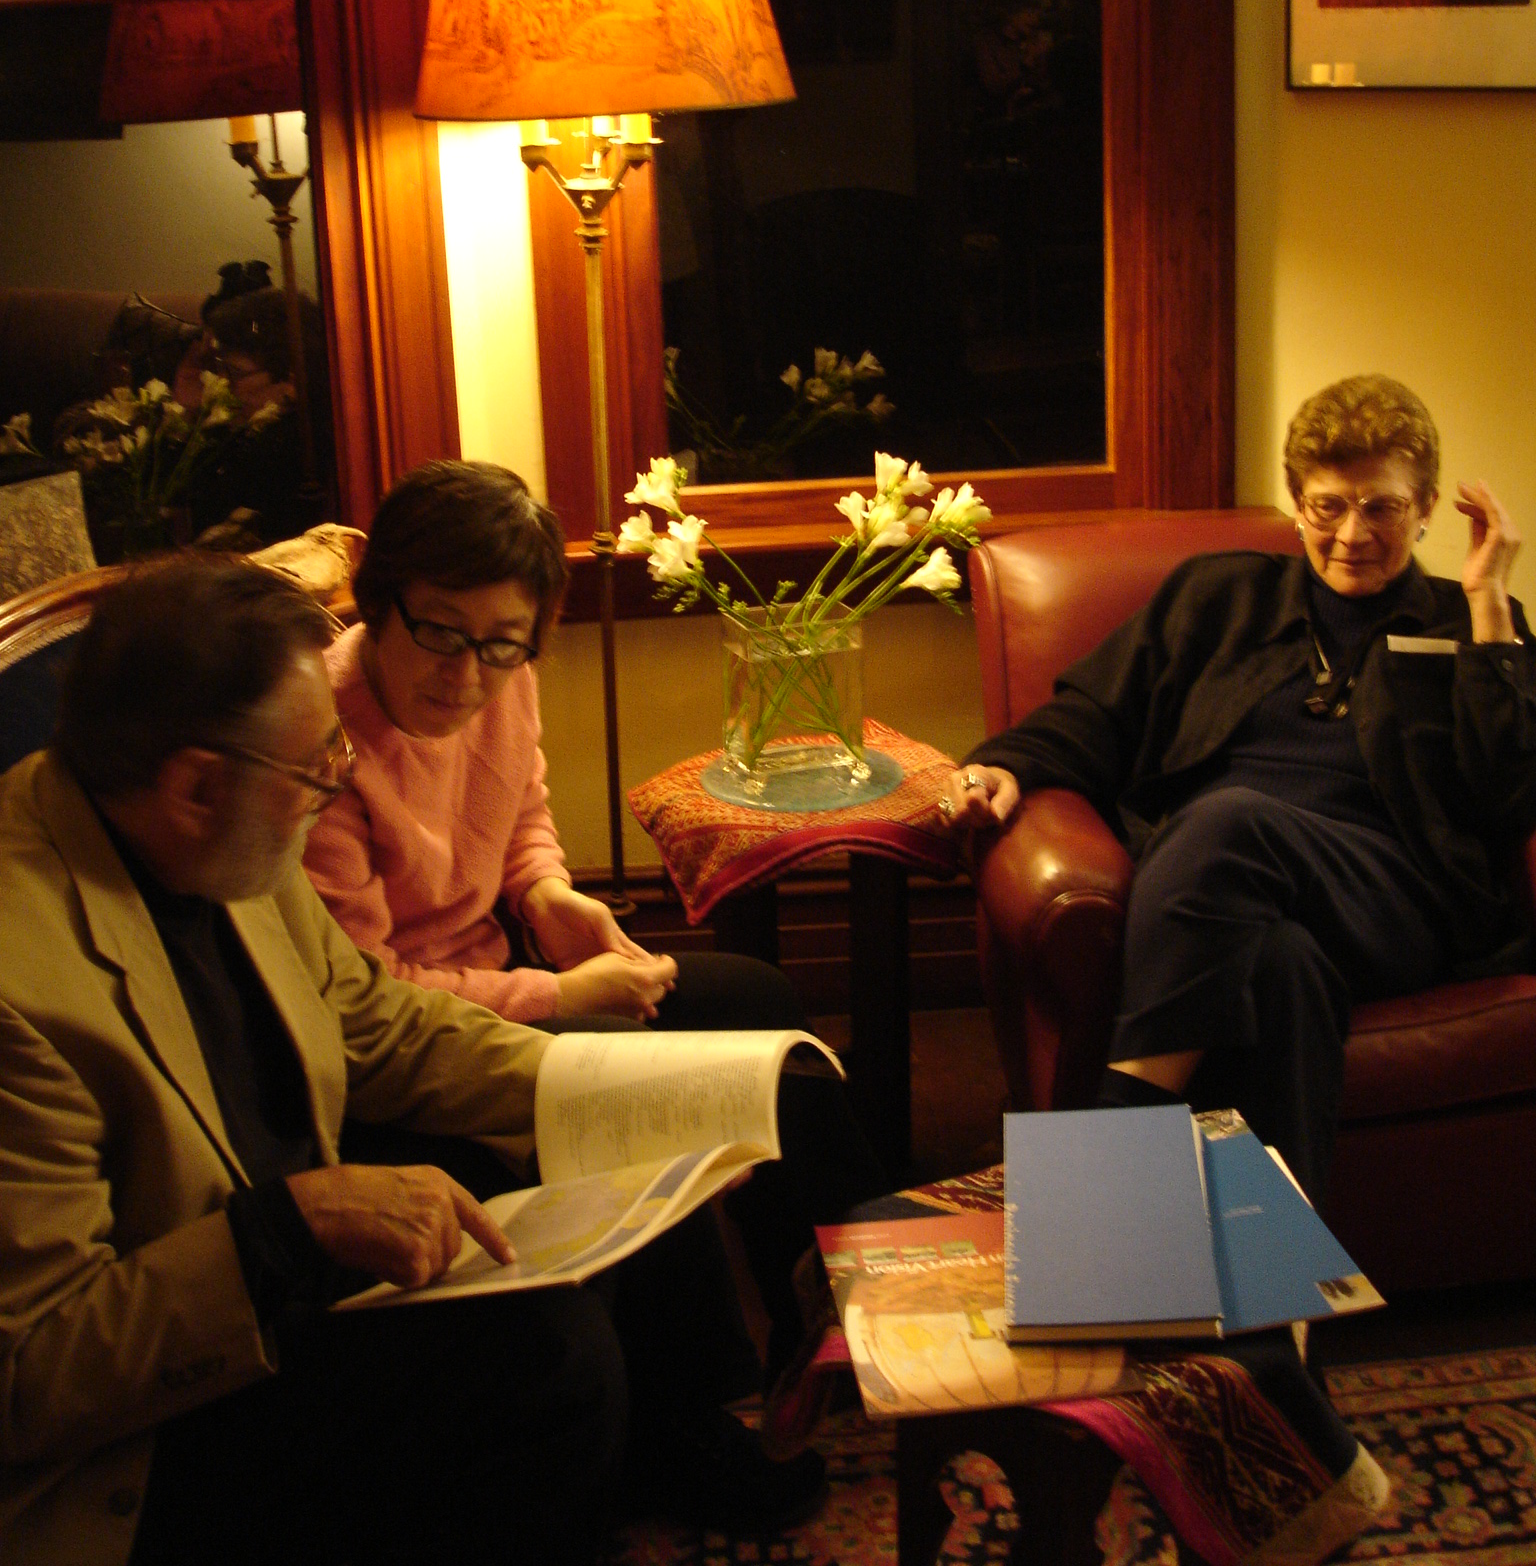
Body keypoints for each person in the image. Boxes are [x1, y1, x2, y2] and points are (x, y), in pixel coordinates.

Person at [0, 558, 824, 1566]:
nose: (340, 778)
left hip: (283, 1267)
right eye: (316, 766)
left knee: (590, 1172)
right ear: (196, 784)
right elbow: (32, 1372)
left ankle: (646, 1456)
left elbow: (372, 1020)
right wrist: (283, 1232)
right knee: (548, 1356)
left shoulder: (213, 834)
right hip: (147, 1428)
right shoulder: (18, 985)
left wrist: (636, 1089)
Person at [302, 459, 886, 1403]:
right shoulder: (320, 738)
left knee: (763, 1009)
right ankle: (702, 1410)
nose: (466, 675)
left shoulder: (502, 672)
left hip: (505, 966)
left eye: (503, 646)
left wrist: (547, 897)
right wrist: (560, 996)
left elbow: (521, 813)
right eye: (438, 632)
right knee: (639, 1081)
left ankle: (842, 1318)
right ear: (381, 601)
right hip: (410, 1045)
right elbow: (365, 995)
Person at [943, 374, 1536, 1202]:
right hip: (1219, 894)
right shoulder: (1217, 595)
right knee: (1282, 970)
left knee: (1228, 822)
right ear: (1297, 504)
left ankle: (1116, 1138)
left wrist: (1489, 607)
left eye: (1383, 507)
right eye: (1329, 506)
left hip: (1392, 897)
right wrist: (1008, 764)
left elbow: (1510, 795)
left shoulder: (1463, 620)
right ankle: (1270, 1318)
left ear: (1427, 505)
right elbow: (1097, 716)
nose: (1353, 534)